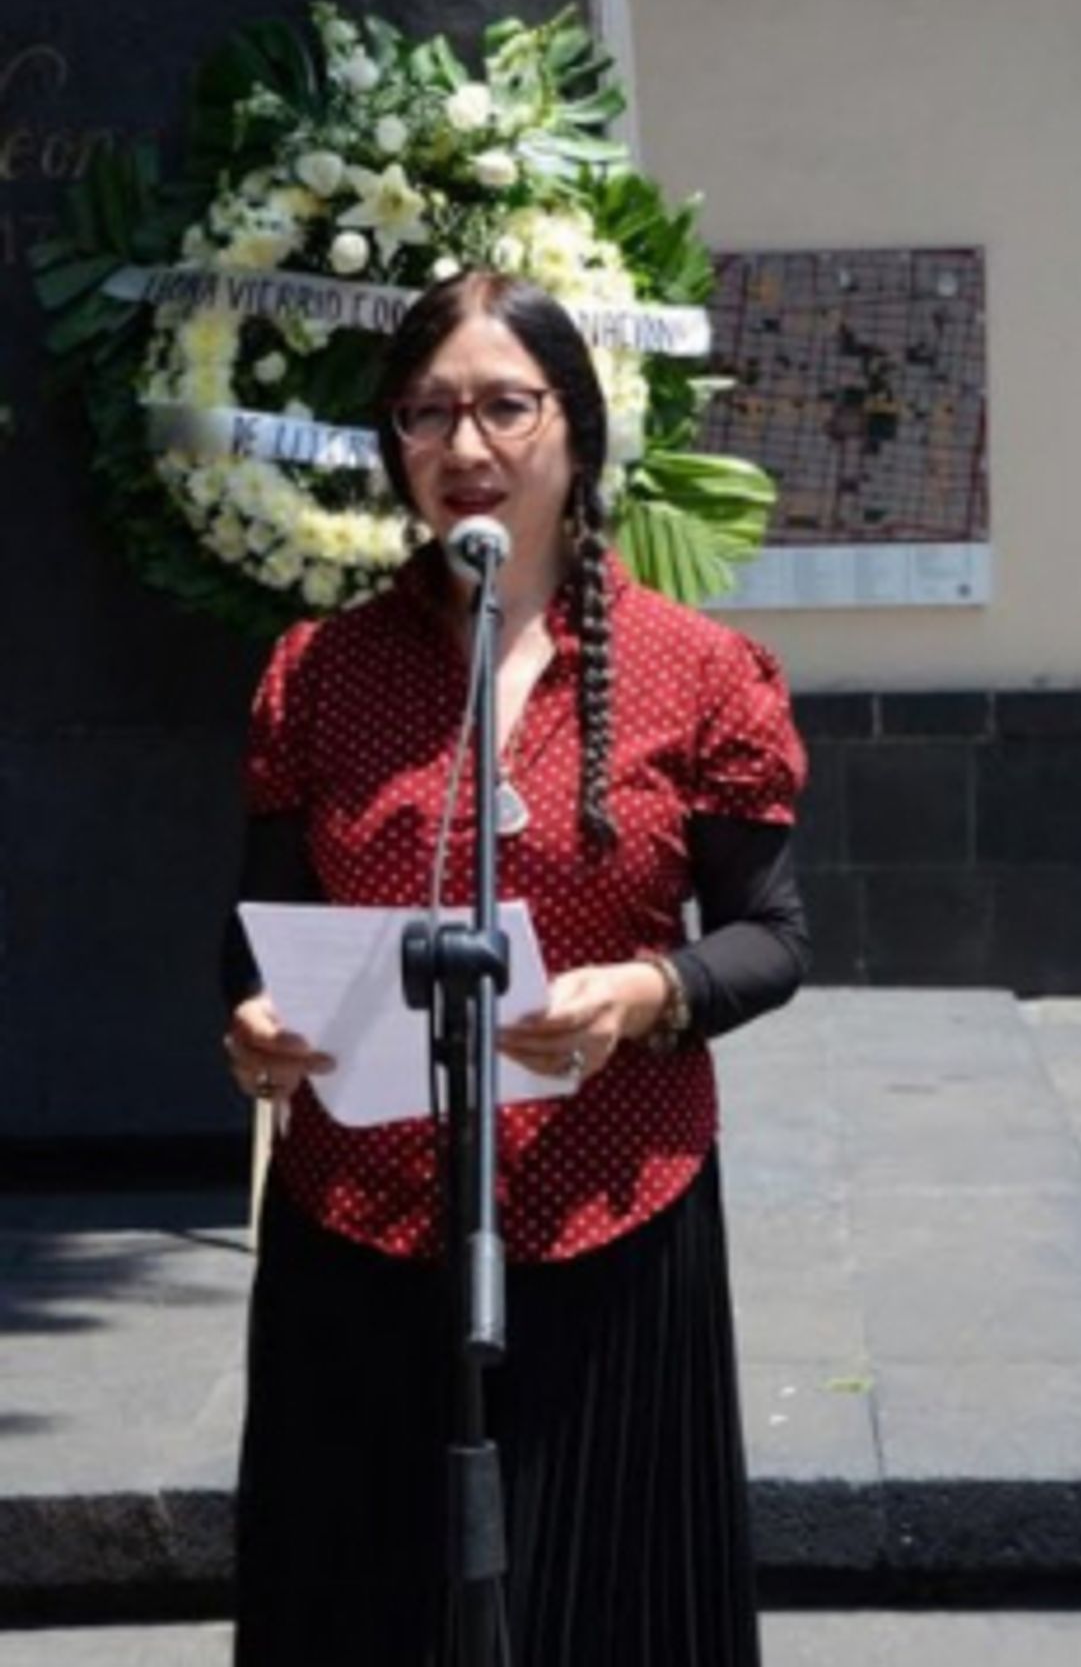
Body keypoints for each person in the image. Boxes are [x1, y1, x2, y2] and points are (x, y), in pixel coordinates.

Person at [221, 270, 809, 1666]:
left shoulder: (701, 671)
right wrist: (249, 1024)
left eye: (503, 406)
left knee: (597, 1606)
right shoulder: (318, 672)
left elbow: (775, 934)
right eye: (428, 412)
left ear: (577, 431)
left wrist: (649, 993)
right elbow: (251, 936)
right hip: (358, 1216)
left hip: (609, 1210)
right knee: (355, 1600)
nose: (465, 447)